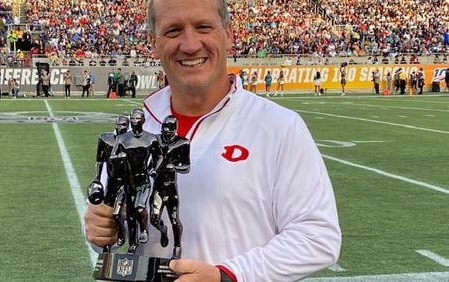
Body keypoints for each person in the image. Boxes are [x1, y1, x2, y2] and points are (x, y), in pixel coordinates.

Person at [84, 0, 341, 281]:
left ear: (227, 33)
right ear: (152, 41)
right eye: (173, 31)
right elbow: (111, 214)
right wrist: (101, 227)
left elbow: (318, 237)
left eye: (203, 27)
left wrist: (229, 275)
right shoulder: (139, 125)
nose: (190, 44)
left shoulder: (279, 126)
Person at [109, 108, 162, 254]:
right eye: (132, 119)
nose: (134, 121)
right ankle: (132, 244)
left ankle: (144, 229)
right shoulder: (122, 138)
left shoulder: (151, 138)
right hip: (127, 181)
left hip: (143, 181)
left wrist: (154, 168)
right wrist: (120, 158)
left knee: (139, 208)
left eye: (137, 119)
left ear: (143, 120)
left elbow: (159, 156)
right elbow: (113, 156)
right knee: (129, 215)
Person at [150, 115, 190, 259]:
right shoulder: (156, 140)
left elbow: (187, 166)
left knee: (174, 219)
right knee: (154, 219)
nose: (166, 134)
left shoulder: (182, 143)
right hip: (158, 187)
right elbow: (150, 160)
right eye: (165, 131)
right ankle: (163, 230)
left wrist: (175, 167)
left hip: (171, 186)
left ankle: (177, 245)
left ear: (175, 131)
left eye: (169, 131)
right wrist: (151, 169)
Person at [87, 115, 130, 248]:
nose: (120, 128)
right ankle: (121, 236)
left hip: (128, 184)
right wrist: (97, 178)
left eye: (123, 125)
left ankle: (125, 235)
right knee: (110, 216)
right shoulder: (106, 138)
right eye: (119, 125)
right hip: (112, 183)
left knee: (118, 214)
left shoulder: (136, 139)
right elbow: (100, 160)